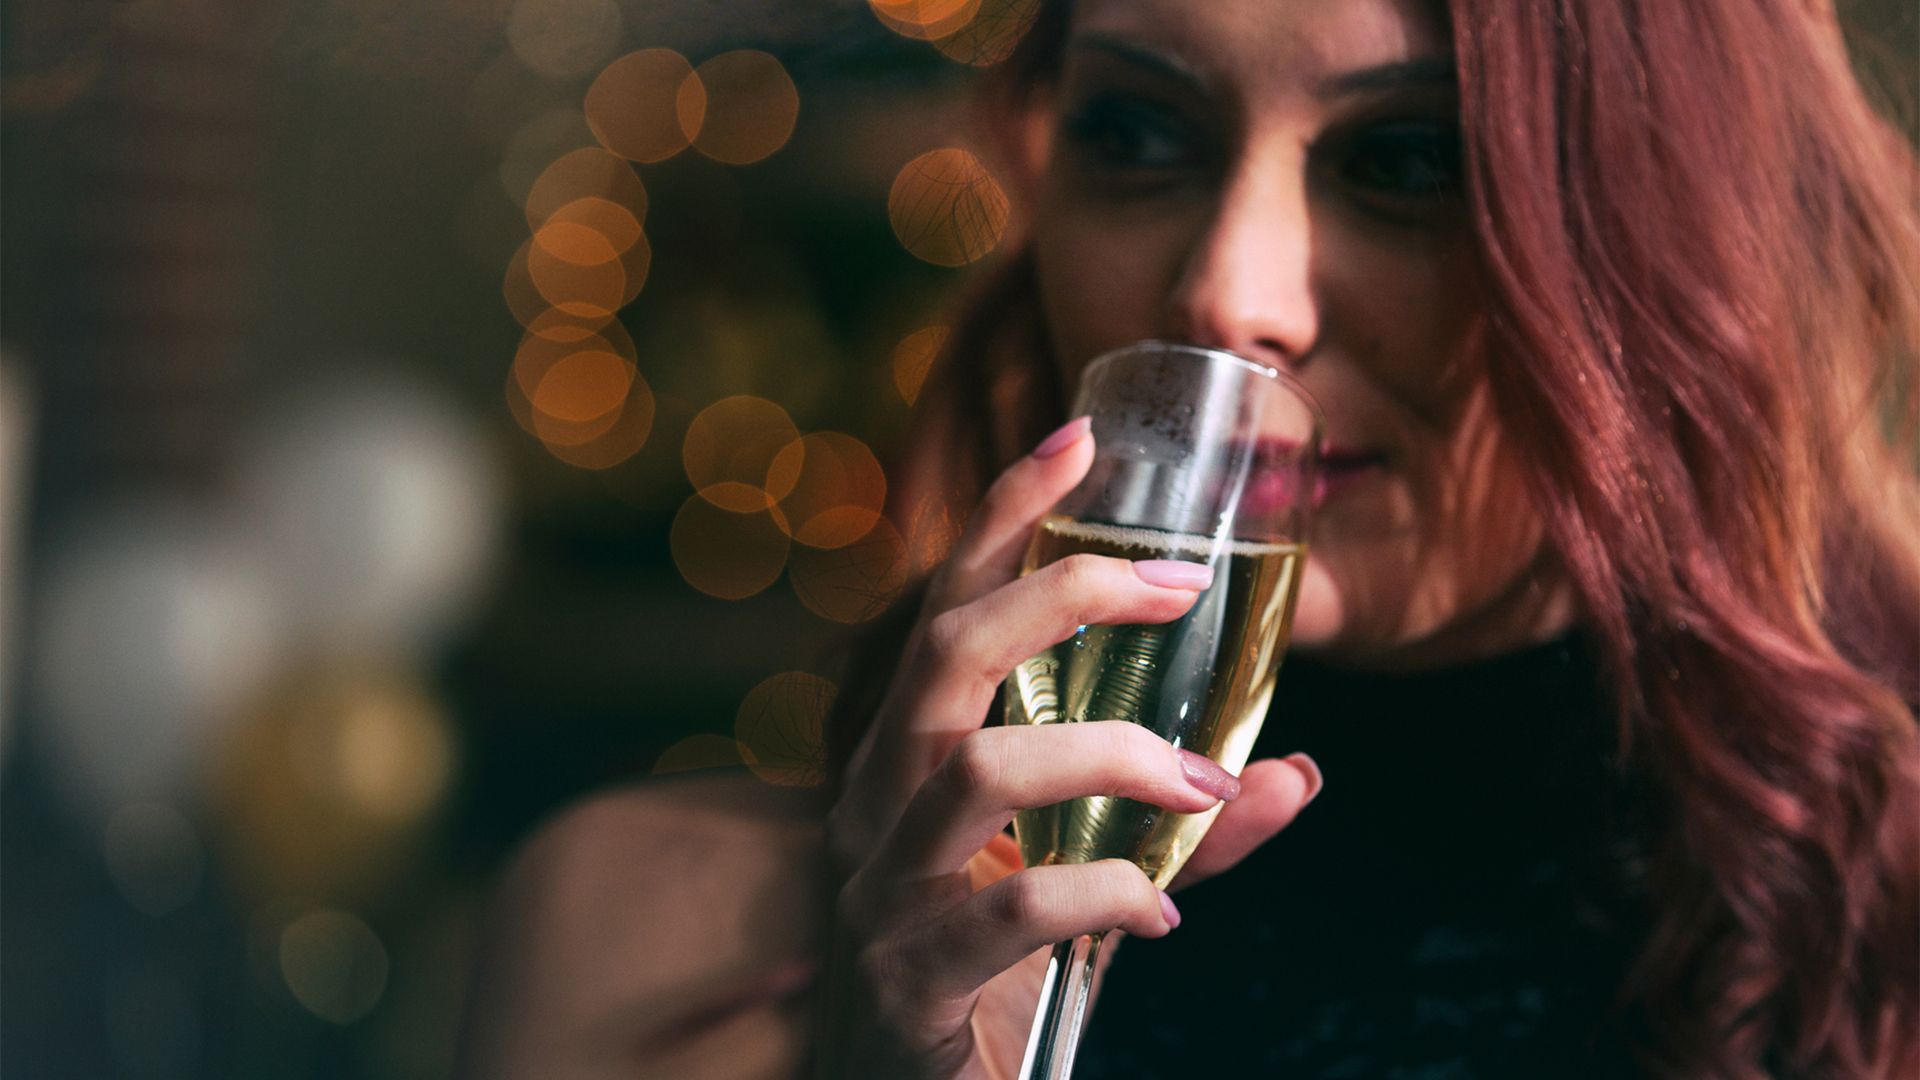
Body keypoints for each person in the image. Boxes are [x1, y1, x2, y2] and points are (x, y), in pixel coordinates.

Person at [457, 0, 1920, 1076]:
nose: (1228, 292)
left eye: (1411, 160)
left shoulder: (1878, 941)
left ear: (1688, 238)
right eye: (1138, 132)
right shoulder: (636, 947)